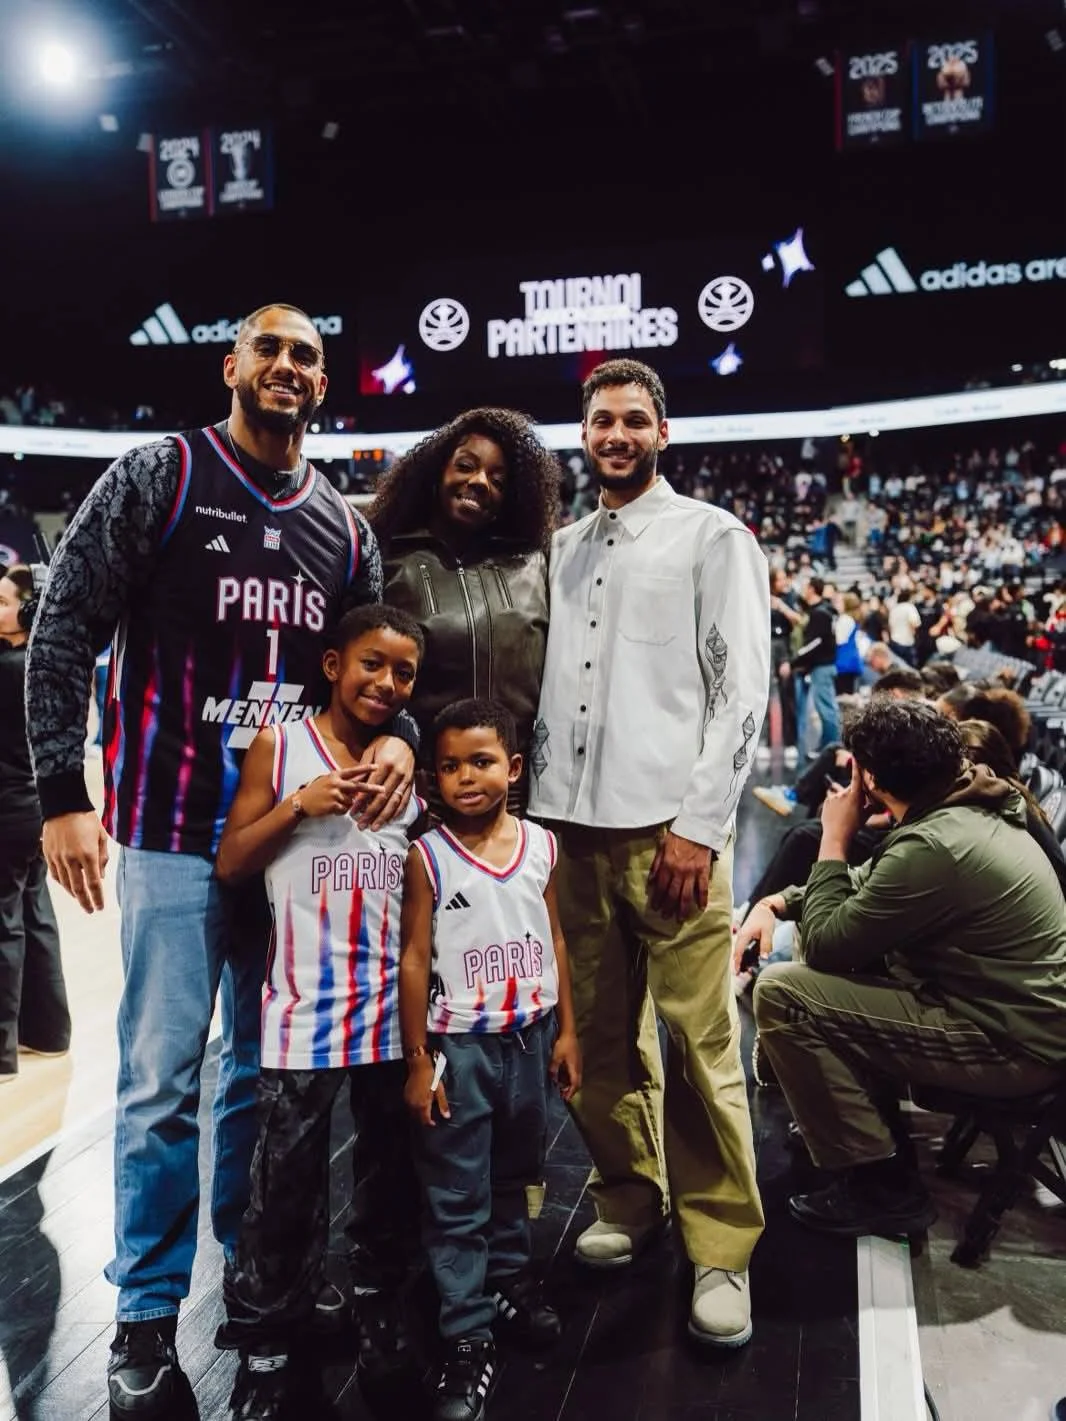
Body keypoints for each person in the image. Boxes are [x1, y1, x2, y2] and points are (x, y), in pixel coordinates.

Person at [24, 303, 418, 1417]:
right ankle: (145, 1315)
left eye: (307, 355)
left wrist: (396, 732)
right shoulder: (159, 474)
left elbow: (373, 667)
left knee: (260, 1077)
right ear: (232, 365)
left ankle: (261, 1289)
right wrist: (65, 791)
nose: (288, 366)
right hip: (165, 827)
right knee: (158, 1083)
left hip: (288, 839)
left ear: (322, 382)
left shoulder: (344, 526)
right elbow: (63, 628)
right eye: (272, 349)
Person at [529, 358, 770, 1348]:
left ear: (661, 433)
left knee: (700, 1045)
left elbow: (739, 687)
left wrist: (701, 824)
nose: (615, 435)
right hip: (563, 833)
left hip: (667, 833)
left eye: (633, 420)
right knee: (594, 1040)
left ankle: (721, 1245)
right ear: (582, 435)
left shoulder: (713, 535)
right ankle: (629, 1196)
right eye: (599, 421)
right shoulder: (560, 546)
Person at [213, 604, 427, 1420]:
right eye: (372, 663)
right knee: (285, 1194)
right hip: (301, 1013)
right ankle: (268, 1344)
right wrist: (300, 803)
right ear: (333, 663)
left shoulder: (402, 764)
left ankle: (379, 1314)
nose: (386, 683)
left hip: (386, 1014)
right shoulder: (283, 744)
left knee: (386, 1183)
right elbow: (233, 861)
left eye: (403, 672)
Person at [743, 699, 1066, 1237]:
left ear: (868, 777)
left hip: (1012, 1046)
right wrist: (775, 904)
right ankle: (846, 1121)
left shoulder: (937, 842)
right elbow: (871, 883)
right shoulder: (963, 804)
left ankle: (884, 1186)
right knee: (837, 947)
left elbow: (826, 944)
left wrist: (833, 837)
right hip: (1015, 1020)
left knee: (784, 993)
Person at [400, 698, 581, 1421]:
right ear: (433, 778)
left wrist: (567, 1031)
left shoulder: (542, 845)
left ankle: (508, 1281)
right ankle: (465, 1331)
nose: (465, 777)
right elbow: (414, 958)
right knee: (456, 1192)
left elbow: (558, 939)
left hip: (529, 1039)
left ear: (513, 765)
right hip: (459, 1049)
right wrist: (417, 1059)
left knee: (517, 1173)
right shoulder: (429, 855)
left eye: (481, 761)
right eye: (449, 765)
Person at [367, 408, 560, 815]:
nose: (479, 482)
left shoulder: (535, 563)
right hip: (421, 797)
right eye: (466, 466)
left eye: (498, 479)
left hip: (520, 801)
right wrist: (400, 739)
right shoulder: (388, 560)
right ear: (438, 472)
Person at [0, 565, 70, 1083]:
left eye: (2, 602)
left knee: (3, 927)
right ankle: (48, 1034)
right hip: (35, 811)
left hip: (6, 812)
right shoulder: (44, 664)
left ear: (26, 611)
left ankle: (1, 1054)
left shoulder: (6, 666)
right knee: (36, 916)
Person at [792, 576, 841, 757]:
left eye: (806, 587)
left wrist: (795, 662)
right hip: (824, 665)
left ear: (812, 589)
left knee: (826, 709)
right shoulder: (825, 611)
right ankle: (828, 746)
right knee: (827, 707)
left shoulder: (819, 614)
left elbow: (815, 643)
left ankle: (832, 748)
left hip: (822, 666)